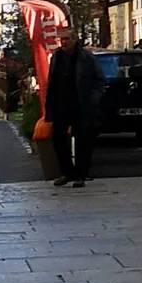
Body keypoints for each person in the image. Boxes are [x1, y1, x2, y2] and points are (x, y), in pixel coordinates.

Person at [43, 24, 104, 190]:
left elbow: (99, 80)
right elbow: (52, 81)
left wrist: (92, 100)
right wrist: (49, 103)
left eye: (66, 39)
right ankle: (66, 172)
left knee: (83, 141)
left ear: (74, 40)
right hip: (61, 104)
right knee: (58, 139)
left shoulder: (86, 57)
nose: (63, 42)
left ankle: (80, 175)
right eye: (61, 39)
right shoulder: (57, 57)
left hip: (81, 104)